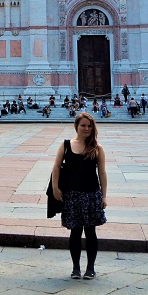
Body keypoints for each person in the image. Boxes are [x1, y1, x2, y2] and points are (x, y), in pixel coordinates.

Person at [51, 112, 108, 280]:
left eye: (89, 126)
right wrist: (55, 188)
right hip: (72, 194)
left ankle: (90, 268)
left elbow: (102, 173)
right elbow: (56, 167)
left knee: (91, 231)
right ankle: (76, 268)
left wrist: (104, 196)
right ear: (76, 126)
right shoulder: (66, 145)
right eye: (83, 125)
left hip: (91, 194)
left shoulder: (97, 148)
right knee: (75, 231)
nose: (86, 129)